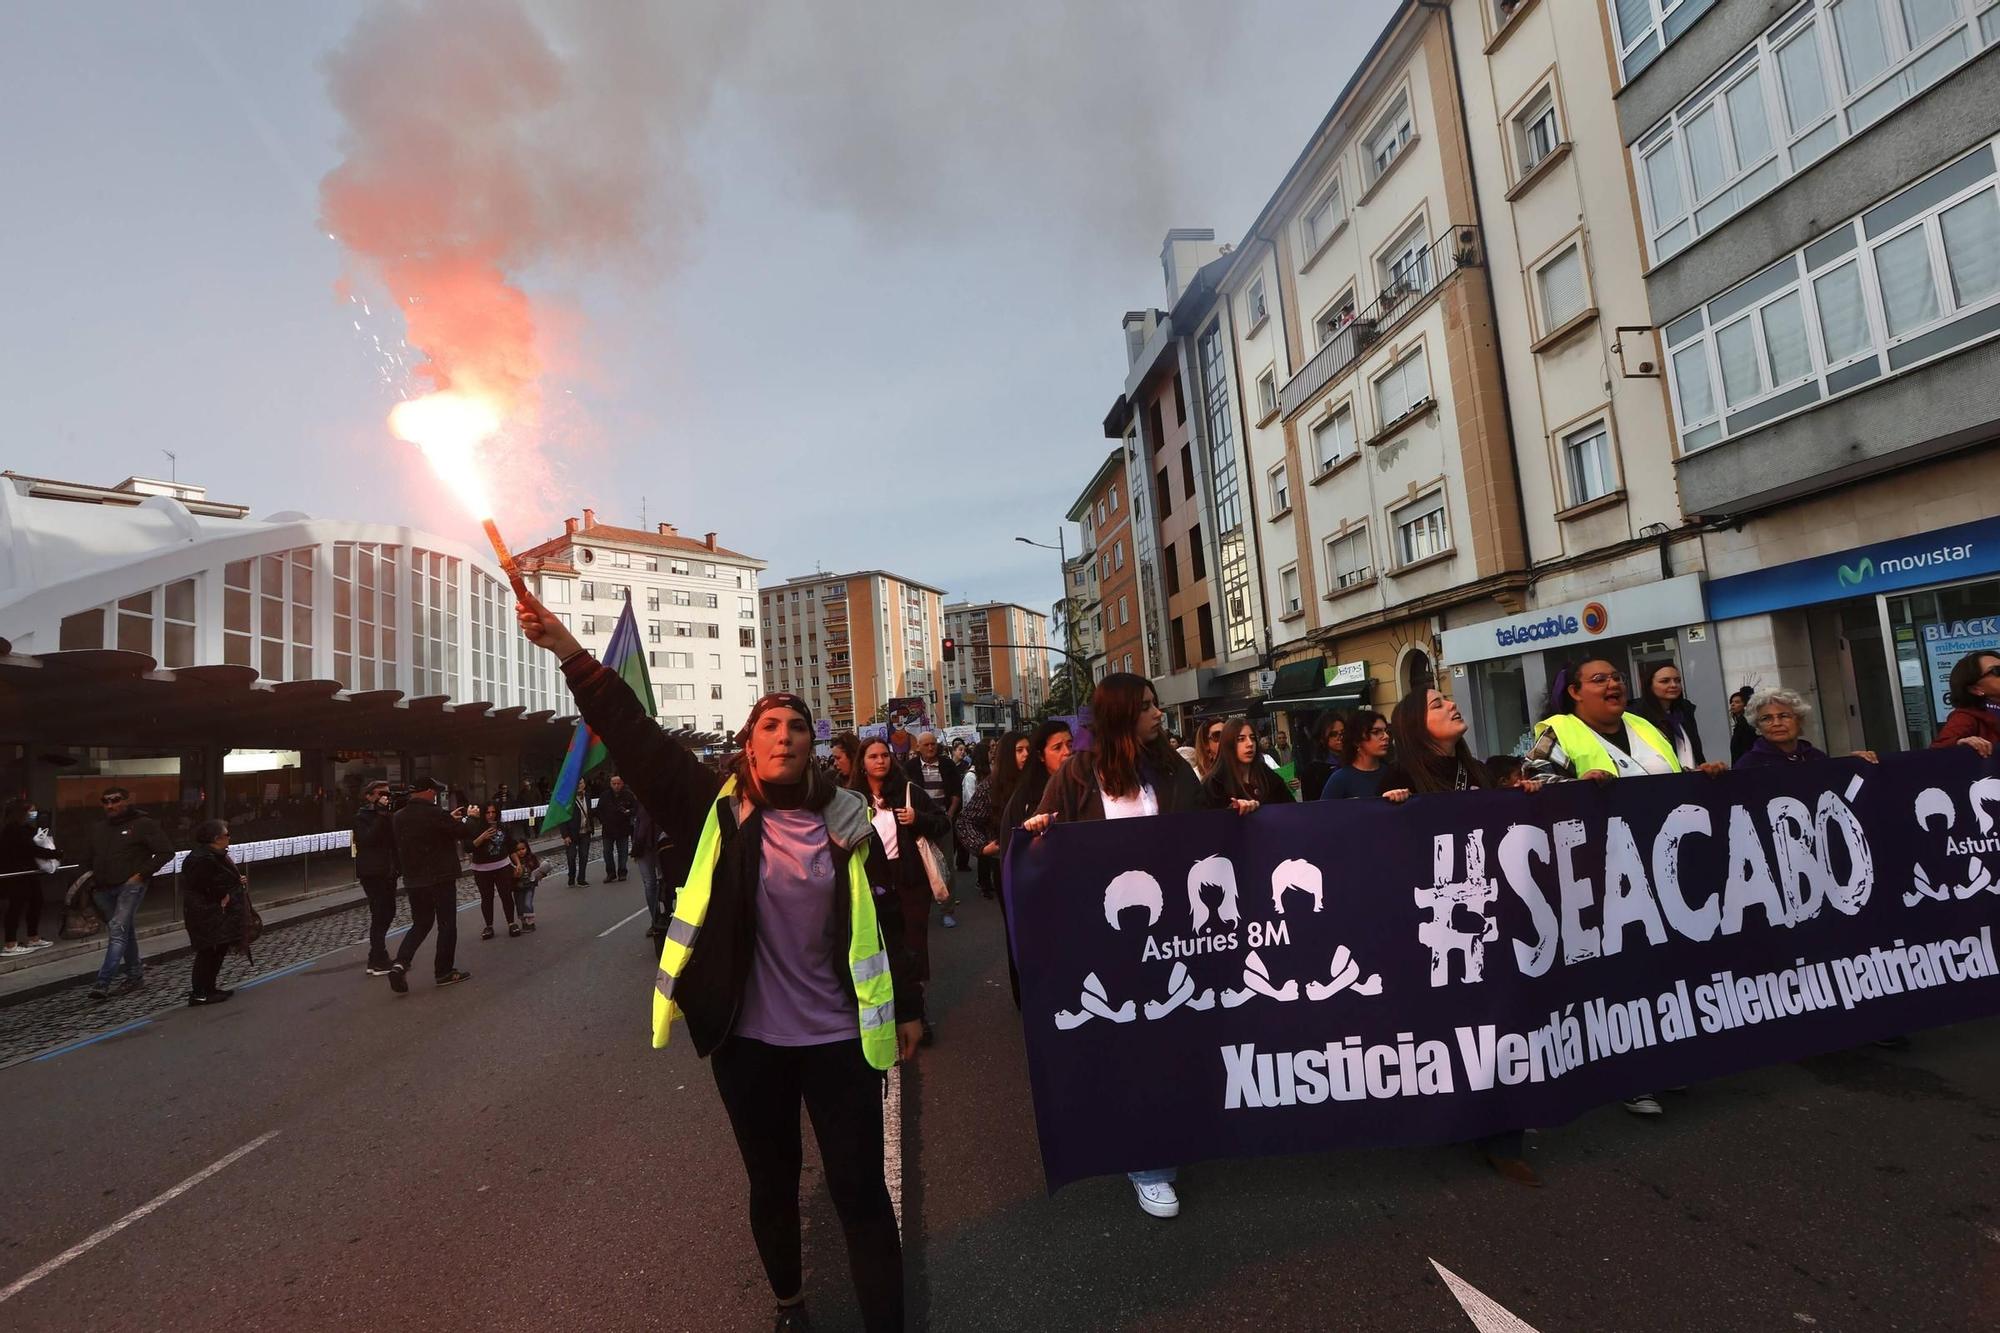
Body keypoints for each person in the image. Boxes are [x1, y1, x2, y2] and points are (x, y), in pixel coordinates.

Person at [518, 595, 920, 1333]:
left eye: (798, 725)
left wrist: (913, 1006)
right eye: (770, 725)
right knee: (772, 1182)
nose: (786, 735)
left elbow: (890, 915)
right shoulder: (718, 810)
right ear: (748, 744)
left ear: (812, 745)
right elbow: (637, 738)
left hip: (839, 1040)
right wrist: (570, 651)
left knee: (861, 1190)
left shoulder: (849, 821)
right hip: (749, 1043)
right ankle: (790, 1300)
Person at [1024, 673, 1202, 1219]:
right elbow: (1041, 843)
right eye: (1147, 707)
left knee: (1168, 1047)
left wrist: (1238, 814)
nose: (1158, 715)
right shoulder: (1078, 774)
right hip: (1102, 941)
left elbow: (1206, 829)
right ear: (1122, 715)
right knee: (1127, 1049)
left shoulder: (1172, 769)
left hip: (1171, 933)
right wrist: (1038, 833)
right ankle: (1149, 1164)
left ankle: (1166, 1142)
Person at [1524, 660, 1723, 1117]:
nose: (1613, 684)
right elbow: (1532, 778)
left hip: (1664, 865)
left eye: (1616, 677)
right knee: (1621, 972)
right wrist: (1577, 785)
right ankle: (1630, 1075)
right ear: (1574, 692)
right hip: (1603, 869)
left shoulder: (1645, 725)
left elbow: (1673, 777)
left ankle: (1665, 1060)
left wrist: (1703, 777)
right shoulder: (1559, 731)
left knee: (1665, 965)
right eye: (1598, 680)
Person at [855, 736, 951, 1045]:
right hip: (872, 883)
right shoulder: (852, 799)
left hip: (910, 881)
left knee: (912, 947)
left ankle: (916, 1012)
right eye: (873, 756)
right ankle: (882, 1014)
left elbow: (942, 823)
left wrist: (917, 819)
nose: (880, 760)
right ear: (863, 763)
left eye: (884, 755)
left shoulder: (910, 792)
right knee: (878, 949)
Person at [995, 721, 1073, 1008]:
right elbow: (1013, 855)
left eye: (1070, 744)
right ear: (1042, 756)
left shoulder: (1085, 787)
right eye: (1057, 747)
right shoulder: (1025, 799)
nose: (1067, 752)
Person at [85, 787, 173, 1001]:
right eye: (106, 802)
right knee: (124, 931)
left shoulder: (143, 825)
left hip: (130, 886)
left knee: (117, 931)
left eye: (115, 801)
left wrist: (140, 875)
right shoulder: (99, 828)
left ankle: (102, 982)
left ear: (126, 800)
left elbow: (165, 851)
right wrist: (90, 881)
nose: (110, 805)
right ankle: (134, 974)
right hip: (103, 887)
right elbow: (88, 856)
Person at [386, 779, 470, 993]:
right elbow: (460, 832)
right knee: (447, 924)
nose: (435, 796)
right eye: (434, 792)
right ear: (428, 792)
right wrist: (471, 819)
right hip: (440, 877)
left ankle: (400, 963)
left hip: (415, 880)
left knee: (421, 923)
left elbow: (403, 843)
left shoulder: (398, 817)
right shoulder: (435, 813)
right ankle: (444, 971)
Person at [180, 819, 244, 1006]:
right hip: (205, 911)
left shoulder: (215, 855)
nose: (229, 838)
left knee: (218, 948)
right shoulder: (202, 858)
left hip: (213, 910)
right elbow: (206, 884)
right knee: (208, 950)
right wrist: (222, 895)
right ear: (217, 838)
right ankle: (200, 992)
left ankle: (209, 987)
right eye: (226, 835)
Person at [1736, 688, 1877, 766]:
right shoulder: (1748, 764)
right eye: (1767, 718)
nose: (1777, 723)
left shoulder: (1816, 757)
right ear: (1758, 726)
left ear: (1799, 721)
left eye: (1784, 716)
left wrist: (1854, 765)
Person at [352, 781, 400, 977]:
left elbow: (393, 839)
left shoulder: (386, 815)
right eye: (381, 794)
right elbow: (368, 840)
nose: (385, 797)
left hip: (387, 870)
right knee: (380, 913)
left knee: (389, 911)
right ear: (369, 796)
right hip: (372, 871)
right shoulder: (361, 817)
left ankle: (376, 956)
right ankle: (379, 958)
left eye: (388, 794)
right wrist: (381, 814)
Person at [1629, 661, 1709, 769]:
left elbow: (1696, 752)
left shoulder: (1685, 711)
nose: (1673, 685)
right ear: (1650, 685)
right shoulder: (1636, 714)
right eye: (1665, 681)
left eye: (1677, 680)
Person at [0, 799, 54, 955]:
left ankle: (33, 937)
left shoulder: (26, 828)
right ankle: (10, 943)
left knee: (36, 902)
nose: (33, 814)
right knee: (15, 907)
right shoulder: (12, 830)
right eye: (31, 811)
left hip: (28, 873)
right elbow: (30, 849)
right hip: (17, 874)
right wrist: (54, 854)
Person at [1201, 719, 1293, 811]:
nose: (1250, 744)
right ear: (1228, 744)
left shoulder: (1267, 776)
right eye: (1241, 739)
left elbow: (1290, 809)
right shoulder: (1214, 784)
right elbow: (1209, 820)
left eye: (1252, 738)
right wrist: (1231, 810)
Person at [464, 801, 520, 940]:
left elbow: (511, 847)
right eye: (488, 812)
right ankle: (489, 926)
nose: (490, 815)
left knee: (506, 895)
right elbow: (468, 847)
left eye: (493, 812)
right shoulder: (476, 827)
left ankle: (511, 923)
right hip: (482, 869)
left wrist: (517, 863)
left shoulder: (503, 827)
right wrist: (483, 837)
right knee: (487, 898)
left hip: (502, 866)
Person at [1931, 650, 2000, 756]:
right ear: (1976, 689)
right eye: (1997, 671)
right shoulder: (1966, 717)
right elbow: (1937, 751)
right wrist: (1960, 744)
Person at [1320, 710, 1389, 800]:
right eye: (1375, 732)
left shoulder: (1392, 774)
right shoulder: (1340, 779)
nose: (1385, 736)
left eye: (1386, 731)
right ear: (1357, 741)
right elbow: (1324, 812)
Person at [1297, 712, 1348, 804]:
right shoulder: (1312, 771)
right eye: (1333, 734)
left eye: (1343, 733)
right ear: (1322, 738)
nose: (1340, 738)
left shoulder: (1356, 762)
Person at [600, 774, 637, 883]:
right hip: (608, 829)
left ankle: (622, 872)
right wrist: (604, 821)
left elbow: (635, 808)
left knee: (623, 852)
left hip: (623, 828)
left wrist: (628, 812)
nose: (616, 786)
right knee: (607, 852)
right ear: (610, 784)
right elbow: (599, 810)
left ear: (622, 784)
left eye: (618, 784)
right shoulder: (605, 795)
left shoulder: (628, 795)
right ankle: (610, 873)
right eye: (614, 784)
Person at [510, 837, 547, 931]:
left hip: (529, 885)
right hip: (517, 887)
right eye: (518, 850)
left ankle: (530, 923)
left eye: (523, 849)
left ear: (527, 848)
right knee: (519, 905)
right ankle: (524, 923)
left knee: (527, 903)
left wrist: (541, 874)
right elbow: (509, 875)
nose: (521, 851)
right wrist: (514, 876)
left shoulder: (531, 857)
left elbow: (538, 869)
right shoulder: (512, 861)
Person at [561, 790, 595, 885]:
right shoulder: (568, 799)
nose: (580, 785)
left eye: (582, 782)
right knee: (571, 857)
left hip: (585, 831)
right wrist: (565, 835)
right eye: (578, 783)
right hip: (572, 833)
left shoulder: (587, 796)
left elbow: (589, 812)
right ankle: (571, 875)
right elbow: (562, 818)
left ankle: (581, 879)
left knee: (584, 856)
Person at [1727, 686, 1758, 763]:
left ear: (1745, 705)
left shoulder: (1746, 725)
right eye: (1732, 702)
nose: (1732, 704)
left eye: (1737, 702)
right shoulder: (1739, 724)